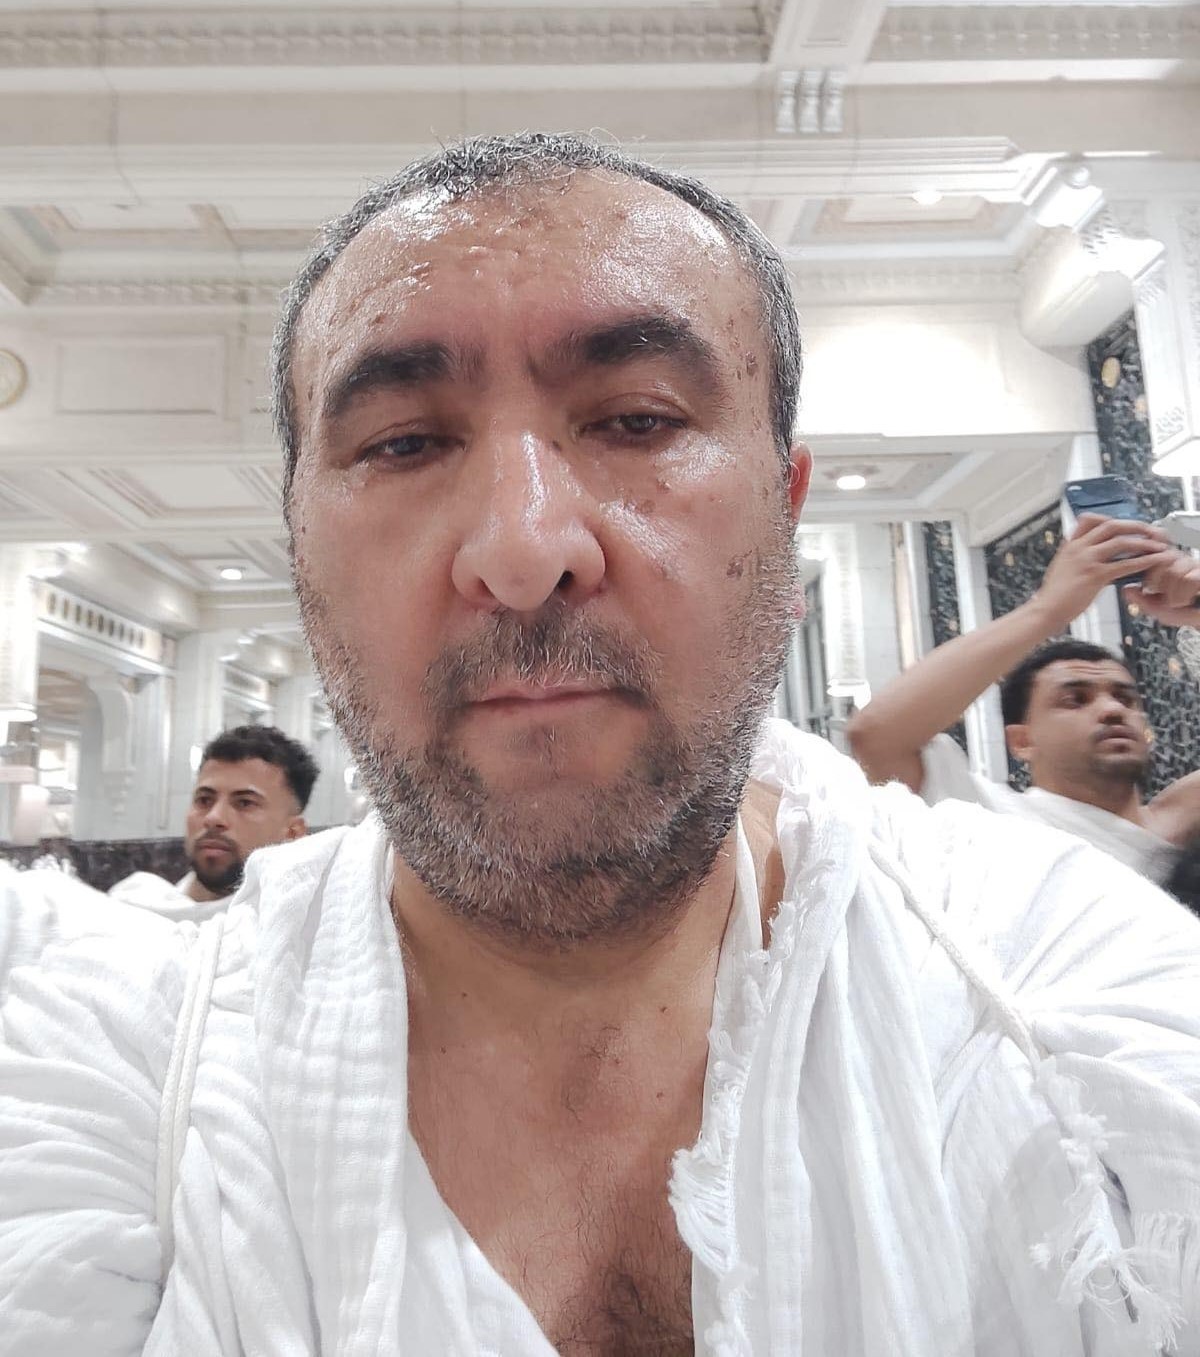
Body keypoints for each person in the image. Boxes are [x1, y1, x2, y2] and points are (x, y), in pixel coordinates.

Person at [2, 133, 1198, 1357]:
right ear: (300, 546)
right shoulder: (124, 1071)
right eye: (404, 442)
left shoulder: (1064, 996)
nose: (524, 550)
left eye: (637, 419)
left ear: (783, 517)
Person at [848, 513, 1200, 888]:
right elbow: (877, 736)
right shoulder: (991, 821)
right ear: (1021, 741)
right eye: (1075, 699)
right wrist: (1048, 609)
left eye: (1125, 698)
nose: (1112, 709)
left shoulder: (1183, 819)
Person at [108, 724, 318, 921]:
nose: (213, 818)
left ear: (293, 833)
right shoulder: (127, 911)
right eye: (204, 800)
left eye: (244, 803)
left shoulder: (298, 931)